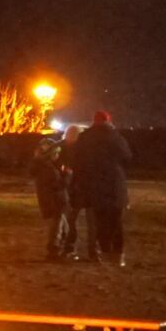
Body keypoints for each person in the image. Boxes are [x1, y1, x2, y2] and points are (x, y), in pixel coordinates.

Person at [67, 110, 133, 267]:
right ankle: (117, 254)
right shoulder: (115, 136)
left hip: (94, 186)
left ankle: (104, 251)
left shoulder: (85, 137)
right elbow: (127, 157)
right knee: (116, 221)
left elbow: (75, 161)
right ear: (108, 121)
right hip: (114, 185)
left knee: (99, 221)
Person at [31, 131, 72, 260]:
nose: (57, 156)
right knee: (57, 228)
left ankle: (61, 249)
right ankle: (54, 250)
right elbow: (57, 186)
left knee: (63, 228)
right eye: (55, 154)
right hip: (55, 202)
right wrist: (67, 176)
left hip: (51, 201)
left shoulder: (43, 167)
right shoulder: (49, 170)